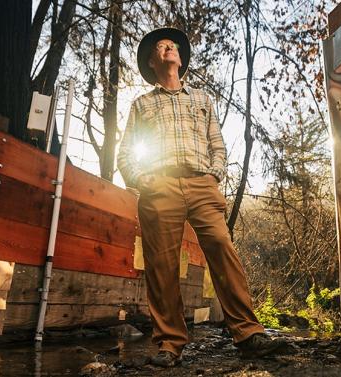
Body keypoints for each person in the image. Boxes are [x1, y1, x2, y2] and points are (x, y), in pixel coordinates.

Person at [117, 27, 285, 367]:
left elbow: (216, 145)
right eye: (162, 46)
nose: (169, 48)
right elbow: (126, 154)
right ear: (151, 61)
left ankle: (249, 333)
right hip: (159, 186)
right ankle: (170, 344)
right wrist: (140, 178)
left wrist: (214, 174)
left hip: (201, 184)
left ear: (181, 59)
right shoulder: (142, 104)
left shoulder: (202, 100)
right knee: (161, 266)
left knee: (222, 247)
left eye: (173, 45)